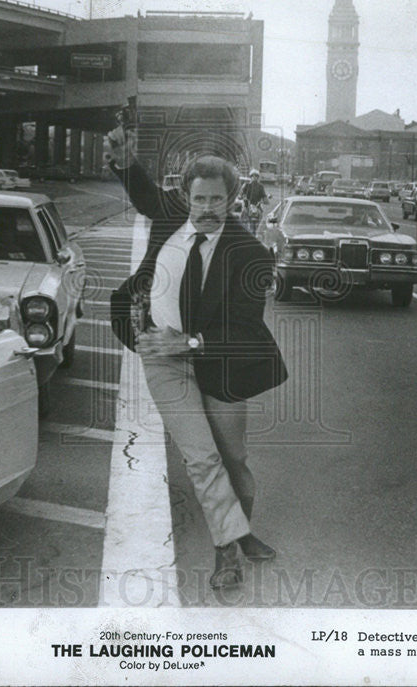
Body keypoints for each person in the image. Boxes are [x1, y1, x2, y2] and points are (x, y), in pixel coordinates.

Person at [106, 126, 288, 590]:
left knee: (235, 462)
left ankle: (241, 533)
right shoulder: (169, 216)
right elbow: (146, 193)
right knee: (203, 458)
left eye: (216, 200)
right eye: (199, 199)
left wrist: (188, 343)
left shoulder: (249, 255)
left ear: (233, 199)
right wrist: (126, 160)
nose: (206, 209)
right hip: (164, 362)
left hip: (218, 360)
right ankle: (226, 554)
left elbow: (245, 330)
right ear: (186, 198)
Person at [240, 169, 269, 234]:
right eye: (252, 176)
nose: (254, 177)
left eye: (256, 176)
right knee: (243, 215)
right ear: (250, 177)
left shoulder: (260, 186)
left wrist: (265, 199)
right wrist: (242, 197)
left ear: (258, 177)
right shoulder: (247, 185)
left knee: (261, 215)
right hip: (247, 205)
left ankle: (259, 230)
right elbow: (241, 193)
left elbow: (264, 195)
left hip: (257, 206)